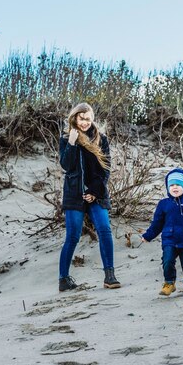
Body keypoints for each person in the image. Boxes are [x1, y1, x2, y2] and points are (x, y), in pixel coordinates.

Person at [58, 102, 120, 291]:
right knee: (73, 236)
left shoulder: (101, 139)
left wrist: (94, 191)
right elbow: (66, 166)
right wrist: (71, 144)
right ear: (74, 118)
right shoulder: (67, 138)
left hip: (97, 193)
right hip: (74, 194)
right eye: (81, 118)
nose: (85, 122)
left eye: (88, 119)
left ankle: (110, 276)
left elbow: (105, 170)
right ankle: (63, 280)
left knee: (104, 230)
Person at [141, 168, 183, 296]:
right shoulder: (163, 204)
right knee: (167, 261)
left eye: (178, 185)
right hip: (169, 239)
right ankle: (169, 283)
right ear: (167, 187)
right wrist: (148, 236)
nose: (174, 187)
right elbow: (157, 223)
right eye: (171, 185)